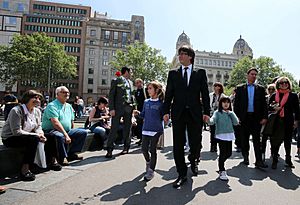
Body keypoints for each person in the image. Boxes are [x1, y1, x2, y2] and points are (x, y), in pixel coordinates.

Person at [163, 45, 210, 188]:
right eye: (179, 54)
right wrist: (165, 111)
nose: (180, 56)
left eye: (183, 54)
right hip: (178, 113)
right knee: (178, 144)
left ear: (190, 56)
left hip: (195, 114)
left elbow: (205, 94)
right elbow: (169, 95)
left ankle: (194, 159)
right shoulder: (173, 73)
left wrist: (206, 112)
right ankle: (181, 174)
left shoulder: (200, 73)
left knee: (195, 142)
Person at [1, 90, 60, 181]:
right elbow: (16, 131)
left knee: (52, 136)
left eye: (39, 98)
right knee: (33, 139)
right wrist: (37, 135)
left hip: (28, 135)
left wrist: (41, 133)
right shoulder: (16, 111)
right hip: (11, 138)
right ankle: (25, 169)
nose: (38, 100)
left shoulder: (37, 111)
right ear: (27, 99)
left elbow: (38, 126)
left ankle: (52, 161)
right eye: (35, 98)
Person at [42, 86, 87, 165]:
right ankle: (62, 157)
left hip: (66, 130)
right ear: (57, 94)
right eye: (64, 92)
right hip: (52, 130)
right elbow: (55, 123)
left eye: (67, 92)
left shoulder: (69, 106)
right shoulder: (52, 106)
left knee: (82, 132)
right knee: (60, 136)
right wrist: (66, 135)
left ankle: (71, 154)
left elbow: (71, 121)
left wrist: (70, 131)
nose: (66, 94)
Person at [233, 68, 268, 168]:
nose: (254, 76)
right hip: (244, 118)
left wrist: (265, 117)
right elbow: (236, 105)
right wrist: (236, 117)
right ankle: (246, 157)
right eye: (252, 74)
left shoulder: (260, 89)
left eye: (256, 75)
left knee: (257, 140)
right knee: (244, 139)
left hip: (256, 118)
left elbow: (264, 105)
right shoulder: (240, 88)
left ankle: (259, 161)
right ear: (247, 75)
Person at [134, 81, 164, 181]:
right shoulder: (146, 102)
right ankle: (148, 162)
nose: (148, 90)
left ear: (156, 90)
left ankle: (151, 171)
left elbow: (163, 117)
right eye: (147, 88)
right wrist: (137, 114)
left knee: (153, 150)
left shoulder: (161, 103)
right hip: (146, 129)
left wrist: (166, 119)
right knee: (144, 149)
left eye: (150, 88)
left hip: (156, 130)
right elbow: (143, 115)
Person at [268, 77, 299, 169]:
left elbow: (297, 110)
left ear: (288, 84)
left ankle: (288, 160)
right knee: (276, 141)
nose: (284, 84)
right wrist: (274, 108)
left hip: (288, 121)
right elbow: (268, 108)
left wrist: (296, 121)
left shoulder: (293, 96)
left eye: (286, 82)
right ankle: (275, 160)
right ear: (278, 84)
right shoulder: (274, 95)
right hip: (277, 121)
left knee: (287, 141)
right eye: (281, 83)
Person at [105, 66, 135, 158]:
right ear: (126, 72)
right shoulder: (116, 81)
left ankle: (126, 147)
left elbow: (132, 96)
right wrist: (111, 109)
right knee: (114, 129)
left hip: (128, 108)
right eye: (131, 72)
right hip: (117, 109)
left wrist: (133, 107)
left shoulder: (130, 82)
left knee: (127, 128)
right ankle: (109, 149)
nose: (131, 74)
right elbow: (111, 95)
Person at [208, 97, 239, 181]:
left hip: (229, 135)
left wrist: (231, 113)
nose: (226, 104)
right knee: (222, 153)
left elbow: (236, 122)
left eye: (228, 102)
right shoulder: (217, 113)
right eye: (224, 102)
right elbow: (212, 121)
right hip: (220, 135)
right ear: (221, 103)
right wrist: (208, 120)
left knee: (229, 153)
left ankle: (220, 161)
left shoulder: (231, 113)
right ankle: (222, 170)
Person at [209, 82, 226, 152]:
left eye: (216, 86)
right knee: (212, 131)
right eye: (214, 86)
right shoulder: (210, 95)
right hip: (212, 115)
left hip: (220, 115)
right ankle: (213, 146)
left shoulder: (223, 96)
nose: (215, 87)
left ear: (219, 87)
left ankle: (219, 145)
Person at [261, 83, 276, 161]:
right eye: (269, 89)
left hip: (273, 119)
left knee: (272, 138)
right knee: (264, 137)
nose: (270, 91)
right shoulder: (265, 97)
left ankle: (273, 153)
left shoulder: (276, 98)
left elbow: (275, 108)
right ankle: (262, 153)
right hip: (265, 118)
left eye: (272, 89)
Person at [134, 78, 148, 145]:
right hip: (138, 110)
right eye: (136, 83)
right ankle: (141, 138)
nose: (136, 84)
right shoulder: (136, 91)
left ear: (141, 82)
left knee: (145, 124)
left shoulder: (145, 90)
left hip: (145, 109)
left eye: (137, 83)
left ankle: (146, 139)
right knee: (139, 125)